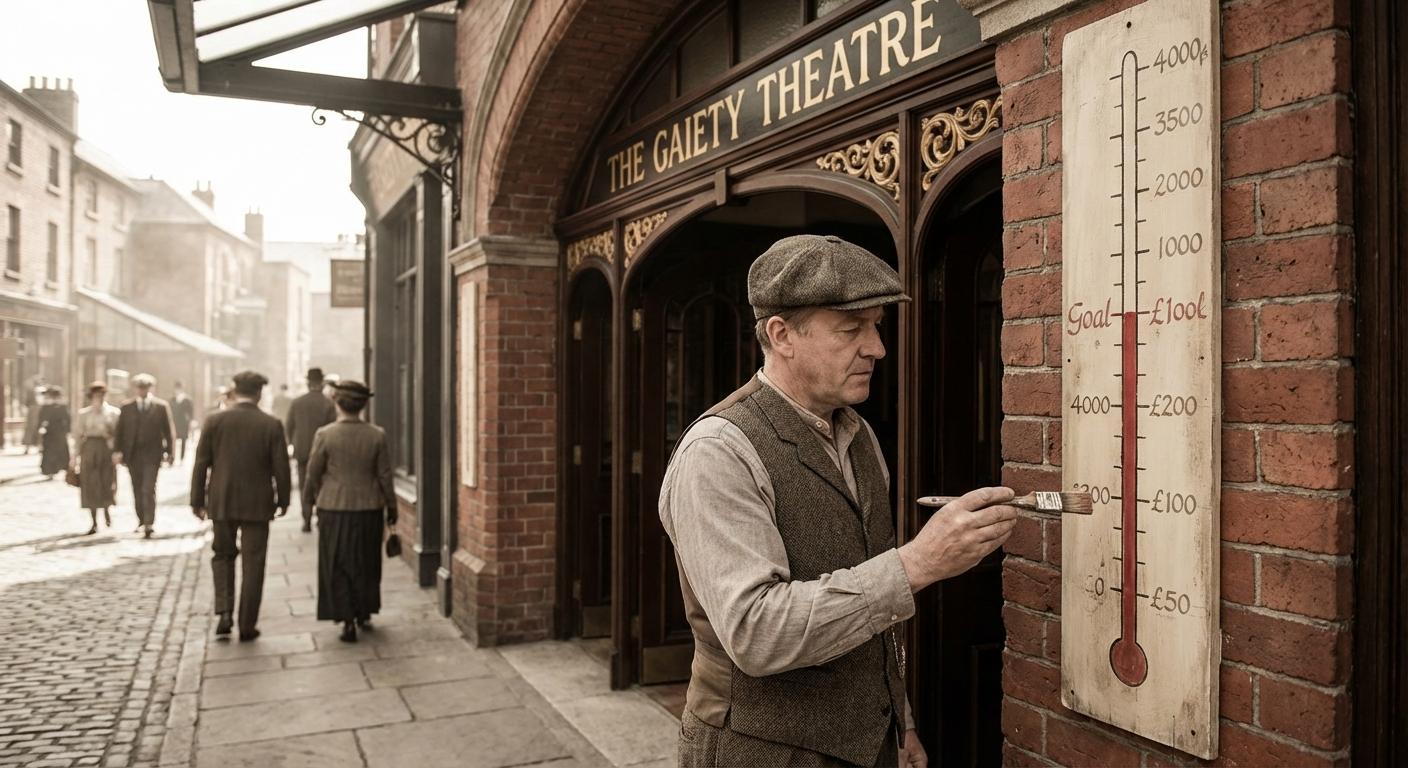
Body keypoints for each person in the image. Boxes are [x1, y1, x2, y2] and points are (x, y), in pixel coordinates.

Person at [660, 235, 1019, 768]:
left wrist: (901, 721)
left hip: (870, 744)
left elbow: (869, 604)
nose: (876, 347)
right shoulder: (718, 452)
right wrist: (917, 563)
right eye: (852, 330)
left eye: (875, 326)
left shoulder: (858, 434)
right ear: (782, 335)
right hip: (757, 752)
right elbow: (756, 634)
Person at [191, 370, 291, 641]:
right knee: (253, 562)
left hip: (221, 501)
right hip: (258, 504)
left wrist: (197, 500)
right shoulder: (271, 424)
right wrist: (283, 500)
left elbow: (201, 463)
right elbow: (280, 467)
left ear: (234, 391)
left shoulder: (214, 421)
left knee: (223, 555)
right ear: (259, 393)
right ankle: (247, 624)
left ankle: (224, 613)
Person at [305, 380, 396, 643]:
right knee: (367, 562)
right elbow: (385, 476)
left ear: (337, 403)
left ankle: (346, 620)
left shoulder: (325, 434)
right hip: (369, 508)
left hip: (333, 508)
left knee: (337, 563)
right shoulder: (377, 434)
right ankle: (364, 611)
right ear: (363, 405)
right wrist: (391, 507)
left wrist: (312, 502)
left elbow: (313, 474)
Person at [114, 374, 176, 539]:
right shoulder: (126, 407)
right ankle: (141, 520)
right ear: (135, 389)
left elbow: (168, 431)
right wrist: (117, 451)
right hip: (133, 454)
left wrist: (170, 452)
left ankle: (149, 522)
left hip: (152, 454)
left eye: (146, 388)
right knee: (136, 487)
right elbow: (119, 431)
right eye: (139, 388)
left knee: (148, 488)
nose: (142, 391)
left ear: (151, 388)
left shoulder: (160, 407)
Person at [285, 368, 336, 533]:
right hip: (324, 452)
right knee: (321, 485)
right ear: (321, 383)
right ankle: (321, 519)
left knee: (304, 486)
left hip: (302, 451)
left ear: (308, 383)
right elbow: (333, 428)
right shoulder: (328, 404)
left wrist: (294, 443)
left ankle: (306, 520)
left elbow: (289, 427)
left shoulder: (297, 402)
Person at [70, 381, 120, 534]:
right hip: (89, 450)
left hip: (106, 450)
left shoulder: (113, 413)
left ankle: (106, 509)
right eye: (97, 396)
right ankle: (94, 521)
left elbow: (118, 436)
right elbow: (77, 436)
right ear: (91, 397)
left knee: (107, 481)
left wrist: (117, 452)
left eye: (103, 395)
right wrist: (74, 457)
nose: (100, 399)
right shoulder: (83, 414)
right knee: (90, 484)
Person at [37, 387, 71, 479]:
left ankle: (62, 467)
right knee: (49, 451)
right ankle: (50, 470)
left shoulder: (62, 407)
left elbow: (68, 419)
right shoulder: (46, 407)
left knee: (61, 450)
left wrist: (68, 431)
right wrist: (41, 427)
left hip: (60, 432)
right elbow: (41, 419)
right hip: (49, 432)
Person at [169, 381, 195, 463]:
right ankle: (172, 457)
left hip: (183, 423)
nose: (178, 390)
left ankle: (181, 458)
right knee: (173, 439)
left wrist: (190, 421)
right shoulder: (172, 400)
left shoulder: (187, 400)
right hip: (175, 422)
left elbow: (190, 412)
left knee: (183, 440)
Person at [21, 375, 45, 453]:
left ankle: (39, 446)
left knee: (38, 428)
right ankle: (29, 447)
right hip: (34, 411)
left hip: (39, 410)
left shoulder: (42, 391)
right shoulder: (32, 392)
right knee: (32, 428)